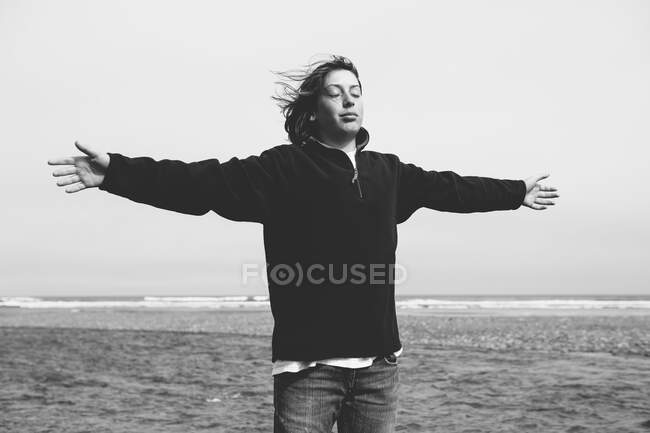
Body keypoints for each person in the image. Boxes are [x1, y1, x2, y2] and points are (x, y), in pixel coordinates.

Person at [47, 55, 558, 433]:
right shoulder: (283, 169)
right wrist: (116, 172)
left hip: (380, 369)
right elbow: (200, 184)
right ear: (314, 109)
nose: (349, 98)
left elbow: (453, 187)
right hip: (308, 370)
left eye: (356, 90)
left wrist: (517, 193)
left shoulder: (389, 172)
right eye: (336, 92)